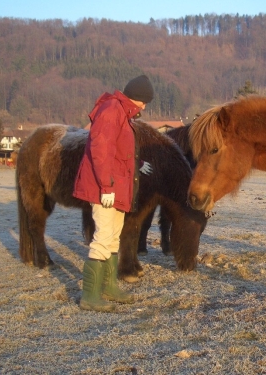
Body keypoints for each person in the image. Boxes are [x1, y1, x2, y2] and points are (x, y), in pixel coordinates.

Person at [73, 75, 154, 312]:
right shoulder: (111, 111)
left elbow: (120, 152)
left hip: (117, 188)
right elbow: (101, 150)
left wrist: (136, 166)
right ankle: (90, 295)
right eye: (144, 101)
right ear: (137, 97)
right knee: (103, 237)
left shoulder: (121, 113)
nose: (145, 107)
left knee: (113, 237)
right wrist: (106, 187)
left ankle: (108, 287)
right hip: (106, 188)